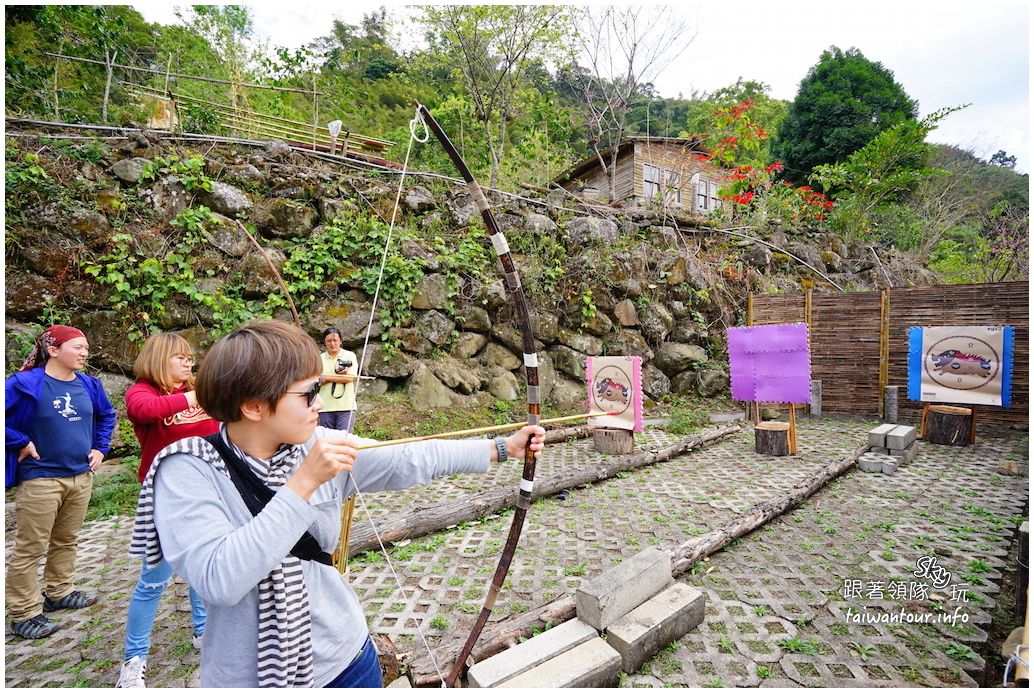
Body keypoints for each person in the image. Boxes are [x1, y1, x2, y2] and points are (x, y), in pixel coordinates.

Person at [130, 320, 545, 687]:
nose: (320, 404)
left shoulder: (314, 443)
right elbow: (220, 579)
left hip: (345, 658)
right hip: (247, 675)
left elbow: (407, 456)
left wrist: (501, 448)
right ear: (254, 406)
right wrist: (304, 484)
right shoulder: (187, 470)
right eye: (309, 393)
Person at [117, 333, 219, 688]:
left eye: (191, 357)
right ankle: (134, 660)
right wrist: (196, 394)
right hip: (163, 496)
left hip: (206, 492)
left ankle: (204, 633)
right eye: (180, 357)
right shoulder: (143, 391)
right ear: (160, 358)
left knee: (200, 569)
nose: (188, 363)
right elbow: (143, 412)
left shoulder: (196, 391)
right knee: (154, 579)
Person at [5, 325, 115, 639]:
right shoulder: (25, 383)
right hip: (41, 478)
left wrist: (100, 447)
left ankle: (59, 591)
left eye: (86, 347)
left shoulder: (90, 384)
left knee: (67, 539)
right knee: (30, 548)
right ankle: (24, 613)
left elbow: (106, 415)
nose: (85, 352)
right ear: (54, 350)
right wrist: (20, 440)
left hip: (80, 476)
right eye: (77, 347)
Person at [318, 327, 358, 431]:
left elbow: (350, 378)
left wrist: (327, 377)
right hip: (325, 407)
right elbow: (315, 379)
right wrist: (339, 377)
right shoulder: (319, 358)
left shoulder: (350, 355)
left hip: (346, 406)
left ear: (340, 341)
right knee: (328, 440)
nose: (332, 343)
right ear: (325, 342)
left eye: (335, 340)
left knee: (344, 440)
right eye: (329, 341)